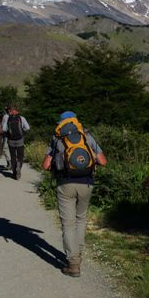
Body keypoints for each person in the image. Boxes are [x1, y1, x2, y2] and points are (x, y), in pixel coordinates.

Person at [41, 111, 107, 277]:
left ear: (62, 123)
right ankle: (79, 254)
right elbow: (103, 161)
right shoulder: (86, 135)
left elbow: (45, 165)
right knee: (81, 219)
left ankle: (73, 263)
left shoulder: (57, 138)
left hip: (65, 185)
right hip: (87, 183)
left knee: (68, 224)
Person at [2, 104, 30, 180]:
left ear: (10, 111)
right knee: (20, 156)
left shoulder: (7, 118)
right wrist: (22, 132)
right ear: (17, 111)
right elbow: (27, 128)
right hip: (20, 140)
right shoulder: (21, 118)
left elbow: (4, 129)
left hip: (11, 140)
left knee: (13, 156)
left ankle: (14, 173)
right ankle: (18, 167)